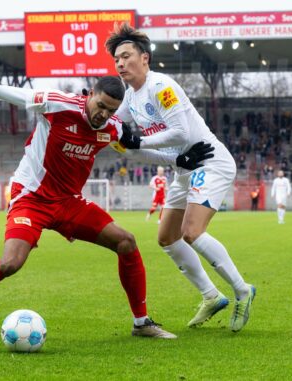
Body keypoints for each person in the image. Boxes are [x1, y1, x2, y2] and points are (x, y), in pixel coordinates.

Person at [0, 76, 211, 339]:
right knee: (10, 264)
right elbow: (7, 92)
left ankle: (141, 323)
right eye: (100, 105)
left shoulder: (112, 127)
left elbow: (132, 150)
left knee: (126, 241)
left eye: (111, 110)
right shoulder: (58, 105)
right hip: (32, 198)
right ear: (90, 94)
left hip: (69, 203)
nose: (103, 113)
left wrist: (180, 161)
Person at [107, 23, 256, 332]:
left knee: (191, 231)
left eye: (126, 56)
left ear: (144, 58)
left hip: (209, 162)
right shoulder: (130, 98)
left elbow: (181, 132)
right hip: (185, 167)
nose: (120, 64)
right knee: (166, 238)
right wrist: (116, 135)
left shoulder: (162, 87)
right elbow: (119, 134)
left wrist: (138, 142)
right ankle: (211, 296)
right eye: (116, 59)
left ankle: (242, 289)